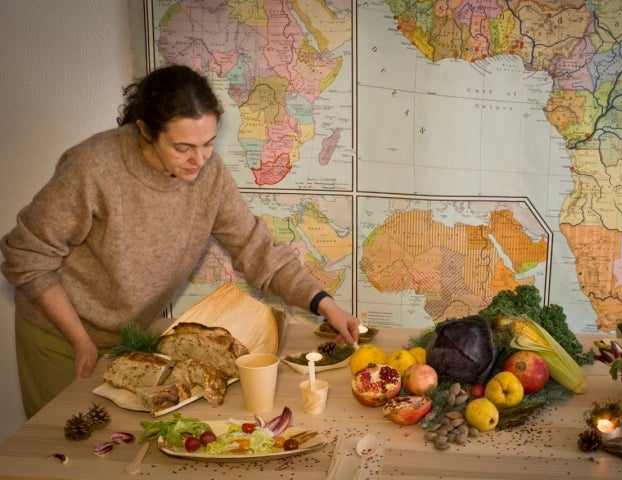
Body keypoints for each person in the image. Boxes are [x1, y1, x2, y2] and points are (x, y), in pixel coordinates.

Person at [0, 65, 360, 418]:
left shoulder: (209, 176)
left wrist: (325, 306)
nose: (199, 160)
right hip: (60, 336)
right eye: (183, 147)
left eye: (208, 143)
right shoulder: (93, 167)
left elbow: (257, 248)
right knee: (62, 456)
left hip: (129, 338)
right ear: (145, 130)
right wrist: (80, 340)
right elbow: (26, 256)